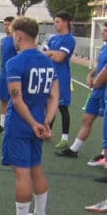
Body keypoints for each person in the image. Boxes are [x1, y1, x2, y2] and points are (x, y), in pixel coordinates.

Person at [0, 16, 58, 215]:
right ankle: (40, 214)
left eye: (13, 34)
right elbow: (54, 97)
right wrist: (45, 123)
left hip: (21, 125)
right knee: (35, 168)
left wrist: (32, 124)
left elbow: (17, 99)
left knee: (22, 173)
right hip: (39, 122)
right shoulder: (47, 61)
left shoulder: (15, 62)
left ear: (18, 35)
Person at [55, 21, 107, 160]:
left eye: (105, 31)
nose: (102, 32)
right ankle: (74, 149)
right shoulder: (103, 48)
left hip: (104, 90)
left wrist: (97, 81)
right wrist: (91, 74)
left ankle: (104, 155)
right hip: (97, 91)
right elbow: (100, 66)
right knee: (87, 119)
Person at [43, 11, 75, 150]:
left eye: (58, 22)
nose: (55, 24)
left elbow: (59, 58)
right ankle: (47, 131)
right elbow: (42, 54)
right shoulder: (52, 38)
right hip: (49, 75)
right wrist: (50, 53)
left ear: (65, 22)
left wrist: (50, 53)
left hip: (62, 76)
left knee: (62, 107)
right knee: (49, 105)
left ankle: (65, 138)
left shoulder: (69, 39)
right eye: (55, 21)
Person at [0, 16, 17, 133]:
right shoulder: (4, 40)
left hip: (13, 74)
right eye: (5, 24)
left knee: (15, 99)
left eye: (8, 24)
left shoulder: (17, 40)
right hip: (3, 72)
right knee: (3, 99)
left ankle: (12, 125)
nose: (6, 27)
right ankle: (2, 124)